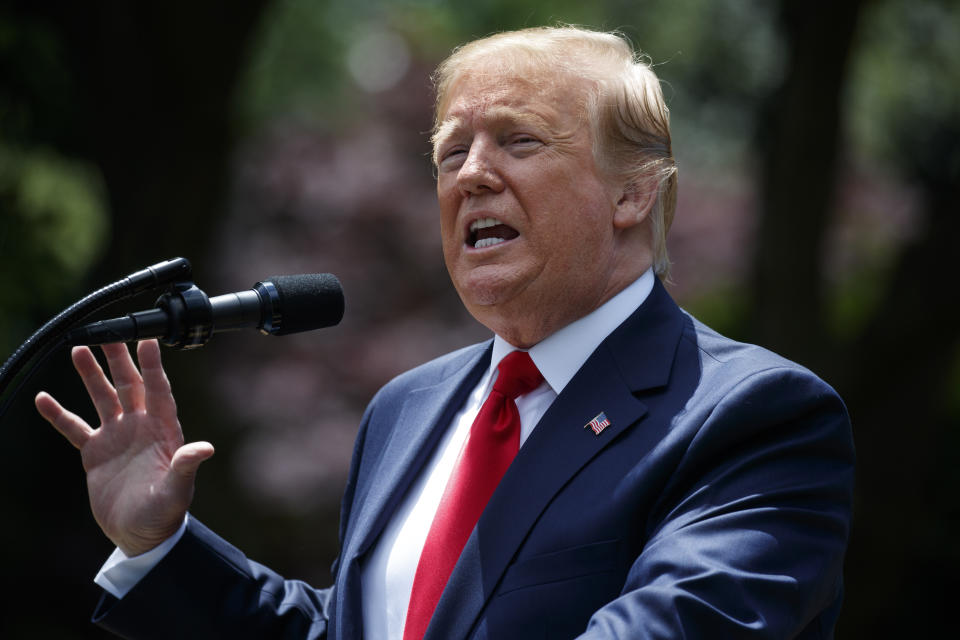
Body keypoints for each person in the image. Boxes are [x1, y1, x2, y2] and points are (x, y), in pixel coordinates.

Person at [35, 26, 854, 639]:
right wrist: (160, 546)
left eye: (519, 140)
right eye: (450, 151)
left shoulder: (752, 416)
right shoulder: (407, 409)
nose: (471, 174)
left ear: (633, 192)